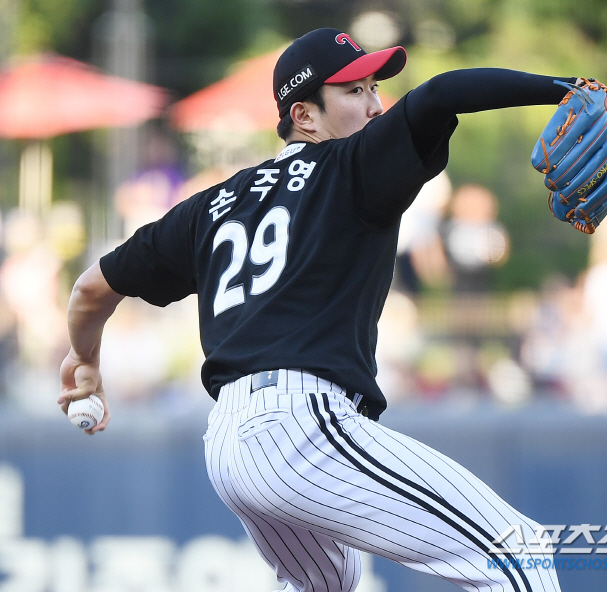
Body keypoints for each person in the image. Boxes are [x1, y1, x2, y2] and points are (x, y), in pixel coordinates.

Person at [58, 28, 573, 592]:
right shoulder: (349, 166)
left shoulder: (209, 205)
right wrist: (567, 88)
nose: (376, 106)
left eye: (375, 87)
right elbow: (444, 92)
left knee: (328, 585)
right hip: (301, 426)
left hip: (230, 445)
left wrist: (85, 361)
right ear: (303, 114)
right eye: (354, 91)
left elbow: (89, 291)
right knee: (517, 552)